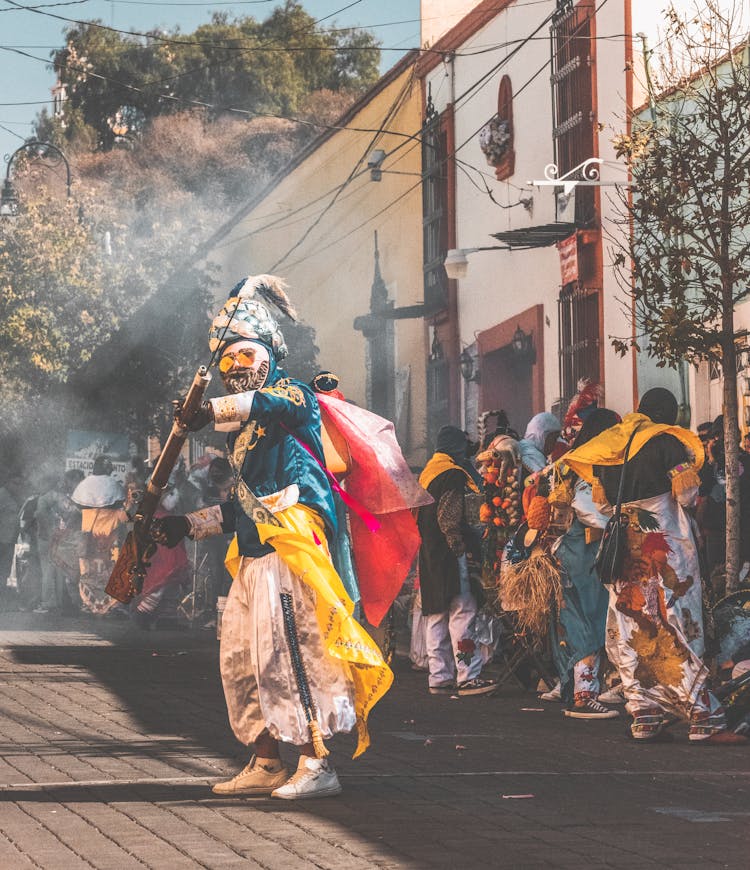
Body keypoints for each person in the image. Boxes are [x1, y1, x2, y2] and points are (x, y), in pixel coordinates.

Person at [151, 274, 392, 800]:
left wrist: (208, 411)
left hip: (293, 553)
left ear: (270, 354)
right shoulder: (243, 438)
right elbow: (240, 509)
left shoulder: (293, 397)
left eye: (245, 355)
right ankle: (265, 760)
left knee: (296, 653)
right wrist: (184, 526)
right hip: (255, 558)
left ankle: (316, 762)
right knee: (244, 659)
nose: (235, 367)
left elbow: (270, 404)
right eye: (227, 360)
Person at [564, 387, 745, 743]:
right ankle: (702, 715)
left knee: (630, 630)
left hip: (623, 553)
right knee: (676, 624)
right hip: (664, 547)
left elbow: (599, 506)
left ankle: (644, 713)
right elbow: (687, 494)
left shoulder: (610, 445)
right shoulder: (665, 442)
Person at [550, 408, 621, 719]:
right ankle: (585, 694)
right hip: (585, 554)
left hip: (568, 552)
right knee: (590, 622)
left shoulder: (569, 461)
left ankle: (579, 687)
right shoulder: (588, 463)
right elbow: (591, 510)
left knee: (577, 621)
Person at [417, 425, 498, 697]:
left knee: (436, 614)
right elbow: (448, 516)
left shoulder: (428, 473)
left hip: (429, 553)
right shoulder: (451, 474)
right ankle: (468, 675)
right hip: (449, 553)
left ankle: (438, 676)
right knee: (462, 611)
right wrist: (459, 546)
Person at [71, 456, 128, 616]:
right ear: (108, 469)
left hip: (88, 534)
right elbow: (121, 506)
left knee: (88, 571)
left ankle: (88, 605)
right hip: (110, 535)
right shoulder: (113, 484)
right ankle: (113, 606)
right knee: (111, 569)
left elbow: (77, 508)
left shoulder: (84, 484)